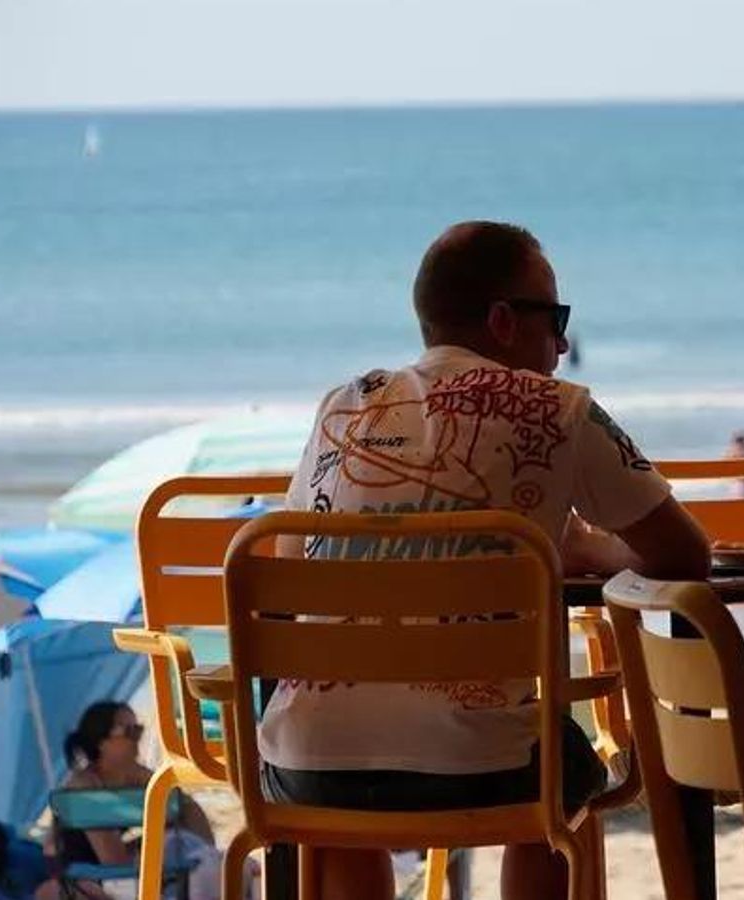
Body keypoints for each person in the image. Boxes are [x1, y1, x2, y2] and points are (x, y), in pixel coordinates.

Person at [259, 221, 710, 900]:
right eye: (554, 318)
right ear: (503, 320)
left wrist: (553, 546)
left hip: (307, 760)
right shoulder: (563, 411)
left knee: (342, 772)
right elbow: (684, 555)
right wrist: (591, 550)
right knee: (564, 771)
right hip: (485, 763)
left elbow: (297, 558)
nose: (561, 342)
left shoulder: (342, 409)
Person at [53, 702, 218, 898]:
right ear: (101, 742)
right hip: (88, 883)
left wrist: (155, 783)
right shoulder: (82, 786)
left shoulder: (131, 778)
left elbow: (195, 822)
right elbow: (113, 859)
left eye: (138, 730)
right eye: (129, 731)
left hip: (118, 879)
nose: (137, 739)